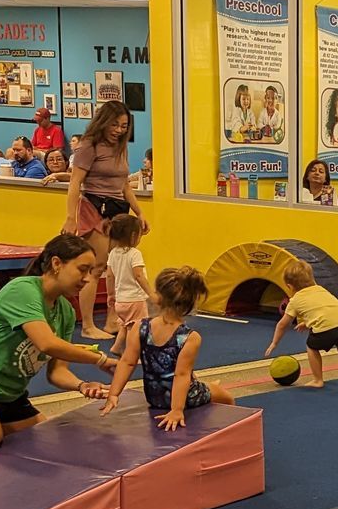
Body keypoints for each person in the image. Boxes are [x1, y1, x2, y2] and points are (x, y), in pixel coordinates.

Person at [0, 234, 115, 463]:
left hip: (8, 397)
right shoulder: (23, 290)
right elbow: (47, 343)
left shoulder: (66, 311)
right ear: (56, 264)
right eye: (82, 269)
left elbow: (57, 372)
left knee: (44, 443)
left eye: (91, 272)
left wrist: (82, 385)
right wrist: (100, 359)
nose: (86, 278)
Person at [102, 266, 234, 430]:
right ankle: (232, 428)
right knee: (226, 397)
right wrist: (176, 410)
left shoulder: (140, 327)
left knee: (193, 377)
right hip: (185, 399)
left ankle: (203, 384)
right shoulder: (189, 337)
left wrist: (114, 394)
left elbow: (127, 362)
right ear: (191, 302)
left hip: (154, 397)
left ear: (158, 298)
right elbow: (181, 374)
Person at [63, 99, 147, 340]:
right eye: (115, 125)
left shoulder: (121, 147)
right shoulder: (89, 146)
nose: (119, 131)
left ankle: (112, 319)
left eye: (124, 126)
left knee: (115, 266)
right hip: (94, 207)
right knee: (97, 266)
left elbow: (124, 185)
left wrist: (139, 213)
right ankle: (88, 325)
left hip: (118, 209)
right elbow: (75, 183)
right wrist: (71, 218)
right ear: (103, 122)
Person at [266, 262, 338, 388]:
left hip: (327, 329)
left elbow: (282, 325)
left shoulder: (295, 300)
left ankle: (317, 380)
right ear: (312, 278)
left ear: (289, 286)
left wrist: (274, 343)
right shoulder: (321, 289)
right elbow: (325, 310)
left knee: (312, 347)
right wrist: (306, 322)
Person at [102, 213, 154, 348]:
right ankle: (133, 354)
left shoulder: (113, 253)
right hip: (135, 300)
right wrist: (151, 293)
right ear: (133, 236)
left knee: (126, 325)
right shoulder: (134, 254)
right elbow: (139, 276)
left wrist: (111, 294)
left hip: (120, 301)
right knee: (136, 329)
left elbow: (109, 276)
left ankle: (117, 347)